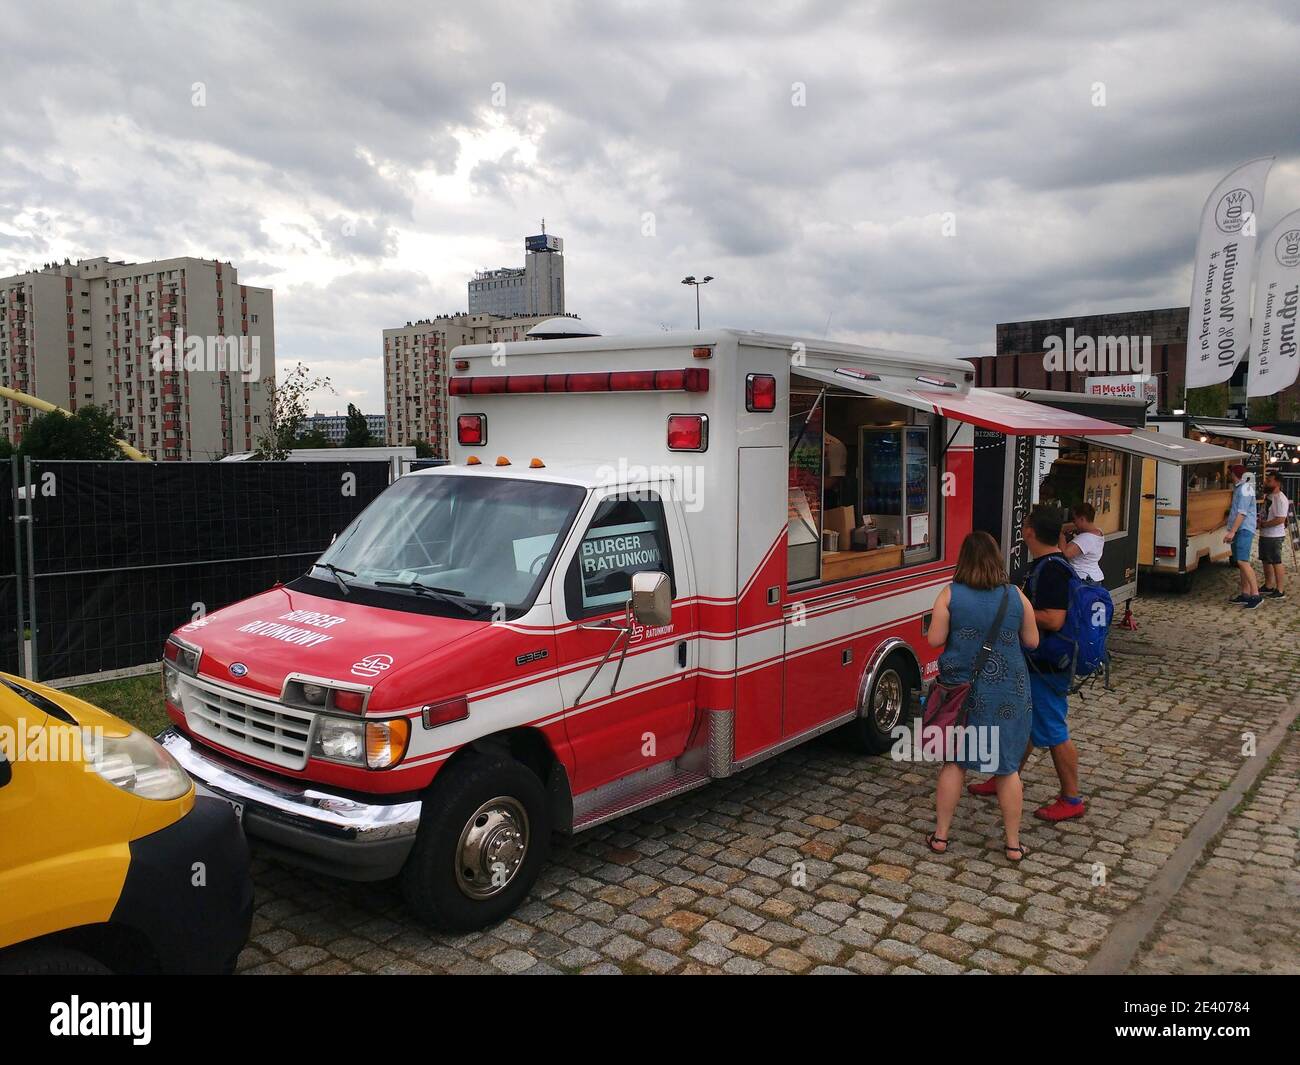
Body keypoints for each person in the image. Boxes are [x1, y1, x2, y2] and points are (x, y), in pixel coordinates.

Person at [925, 532, 1039, 861]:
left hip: (963, 692)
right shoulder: (1016, 596)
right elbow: (1032, 641)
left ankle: (941, 837)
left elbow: (934, 639)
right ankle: (1013, 845)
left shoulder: (950, 594)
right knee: (1006, 768)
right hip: (1007, 692)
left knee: (955, 761)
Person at [969, 507, 1085, 822]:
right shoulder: (1047, 565)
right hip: (1038, 663)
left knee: (1054, 729)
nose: (1022, 527)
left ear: (1030, 532)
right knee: (1026, 725)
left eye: (1025, 524)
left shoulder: (1052, 570)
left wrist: (1017, 608)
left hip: (1048, 666)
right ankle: (1006, 777)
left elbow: (1054, 618)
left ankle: (1072, 798)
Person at [1224, 463, 1261, 608]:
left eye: (1230, 473)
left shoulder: (1245, 489)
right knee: (1240, 562)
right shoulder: (1240, 488)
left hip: (1244, 529)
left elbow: (1242, 513)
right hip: (1240, 529)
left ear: (1234, 474)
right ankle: (1245, 594)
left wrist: (1232, 531)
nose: (1229, 475)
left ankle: (1255, 595)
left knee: (1243, 561)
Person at [1259, 469, 1290, 600]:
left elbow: (1280, 519)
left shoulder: (1280, 499)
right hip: (1265, 533)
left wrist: (1265, 524)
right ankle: (1268, 585)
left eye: (1269, 481)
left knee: (1276, 561)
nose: (1266, 482)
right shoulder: (1269, 496)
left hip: (1274, 535)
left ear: (1277, 483)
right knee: (1266, 560)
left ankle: (1280, 589)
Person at [1060, 501, 1104, 583]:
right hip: (1094, 577)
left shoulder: (1086, 539)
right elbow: (1076, 526)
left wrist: (1061, 535)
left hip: (1083, 579)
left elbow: (1066, 553)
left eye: (1074, 519)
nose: (1074, 522)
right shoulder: (1098, 532)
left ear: (1082, 519)